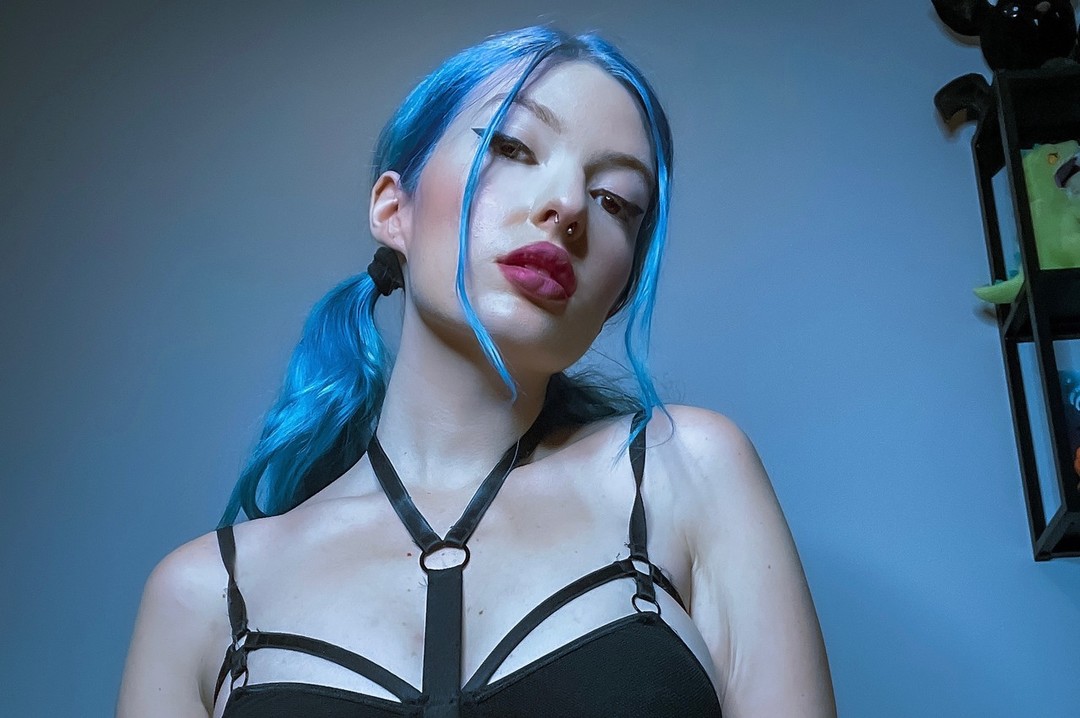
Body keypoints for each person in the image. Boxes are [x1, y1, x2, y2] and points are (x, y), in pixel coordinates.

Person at [117, 26, 837, 718]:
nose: (568, 207)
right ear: (393, 208)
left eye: (615, 200)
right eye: (512, 147)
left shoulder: (686, 474)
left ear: (619, 291)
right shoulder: (202, 598)